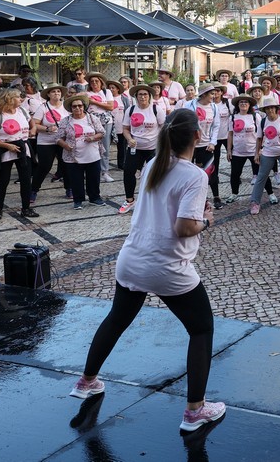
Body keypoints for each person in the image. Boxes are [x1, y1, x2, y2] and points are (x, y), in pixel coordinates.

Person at [70, 108, 225, 433]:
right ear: (197, 136)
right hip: (167, 265)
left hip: (133, 259)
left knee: (117, 319)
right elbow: (184, 227)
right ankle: (195, 411)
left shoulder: (154, 163)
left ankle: (87, 381)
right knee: (201, 329)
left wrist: (195, 214)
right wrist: (206, 220)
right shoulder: (196, 175)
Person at [0, 88, 38, 220]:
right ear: (9, 99)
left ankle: (26, 208)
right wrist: (7, 146)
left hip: (23, 148)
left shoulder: (22, 111)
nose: (21, 99)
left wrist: (33, 130)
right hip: (6, 149)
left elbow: (33, 124)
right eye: (18, 97)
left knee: (26, 180)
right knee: (3, 180)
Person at [118, 85, 166, 215]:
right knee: (128, 172)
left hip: (153, 148)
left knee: (155, 174)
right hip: (135, 148)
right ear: (136, 96)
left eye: (145, 94)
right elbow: (125, 129)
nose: (143, 97)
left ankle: (155, 200)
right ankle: (129, 200)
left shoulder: (156, 109)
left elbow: (164, 128)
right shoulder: (131, 110)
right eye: (140, 94)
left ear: (149, 96)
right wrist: (129, 139)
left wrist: (162, 143)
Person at [56, 94, 106, 211]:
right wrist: (65, 146)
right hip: (73, 156)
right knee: (76, 179)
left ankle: (94, 198)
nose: (77, 108)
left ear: (84, 106)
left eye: (80, 105)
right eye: (74, 106)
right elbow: (58, 138)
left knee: (94, 178)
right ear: (71, 108)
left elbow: (102, 133)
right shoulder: (65, 121)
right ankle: (78, 200)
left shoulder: (92, 118)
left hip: (92, 154)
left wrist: (92, 138)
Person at [250, 98, 280, 215]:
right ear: (265, 110)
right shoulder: (263, 122)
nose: (270, 110)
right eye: (267, 108)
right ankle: (255, 202)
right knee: (261, 177)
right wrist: (257, 153)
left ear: (276, 108)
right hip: (268, 153)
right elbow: (259, 138)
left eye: (272, 107)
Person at [30, 84, 69, 204]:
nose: (56, 93)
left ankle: (69, 189)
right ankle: (33, 190)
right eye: (53, 91)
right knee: (44, 166)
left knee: (66, 165)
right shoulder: (43, 107)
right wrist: (47, 129)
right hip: (46, 141)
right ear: (48, 94)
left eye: (58, 91)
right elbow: (34, 124)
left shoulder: (66, 106)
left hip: (63, 141)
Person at [191, 84, 223, 211]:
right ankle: (196, 199)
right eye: (211, 94)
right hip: (191, 147)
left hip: (206, 146)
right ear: (203, 94)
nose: (214, 96)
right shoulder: (190, 106)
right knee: (191, 174)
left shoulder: (214, 107)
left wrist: (212, 142)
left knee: (211, 172)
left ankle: (216, 196)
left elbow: (216, 126)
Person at [85, 73, 115, 182]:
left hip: (106, 122)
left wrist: (94, 102)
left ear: (101, 82)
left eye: (96, 81)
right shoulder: (86, 93)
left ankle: (104, 171)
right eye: (92, 81)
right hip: (91, 122)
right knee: (91, 147)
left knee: (105, 147)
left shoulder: (107, 92)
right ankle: (93, 171)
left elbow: (110, 106)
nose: (94, 83)